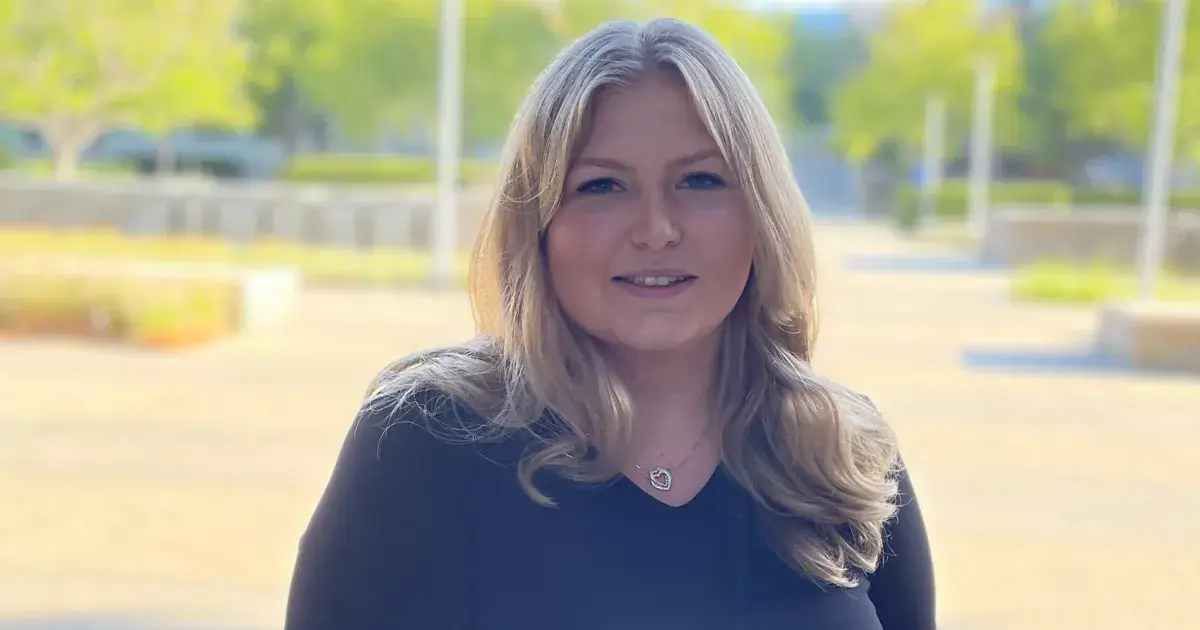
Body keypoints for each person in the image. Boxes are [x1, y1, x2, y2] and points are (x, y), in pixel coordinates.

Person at [284, 17, 934, 630]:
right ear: (538, 224)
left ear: (762, 216)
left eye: (701, 180)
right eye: (602, 187)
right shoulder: (426, 444)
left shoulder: (841, 453)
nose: (656, 230)